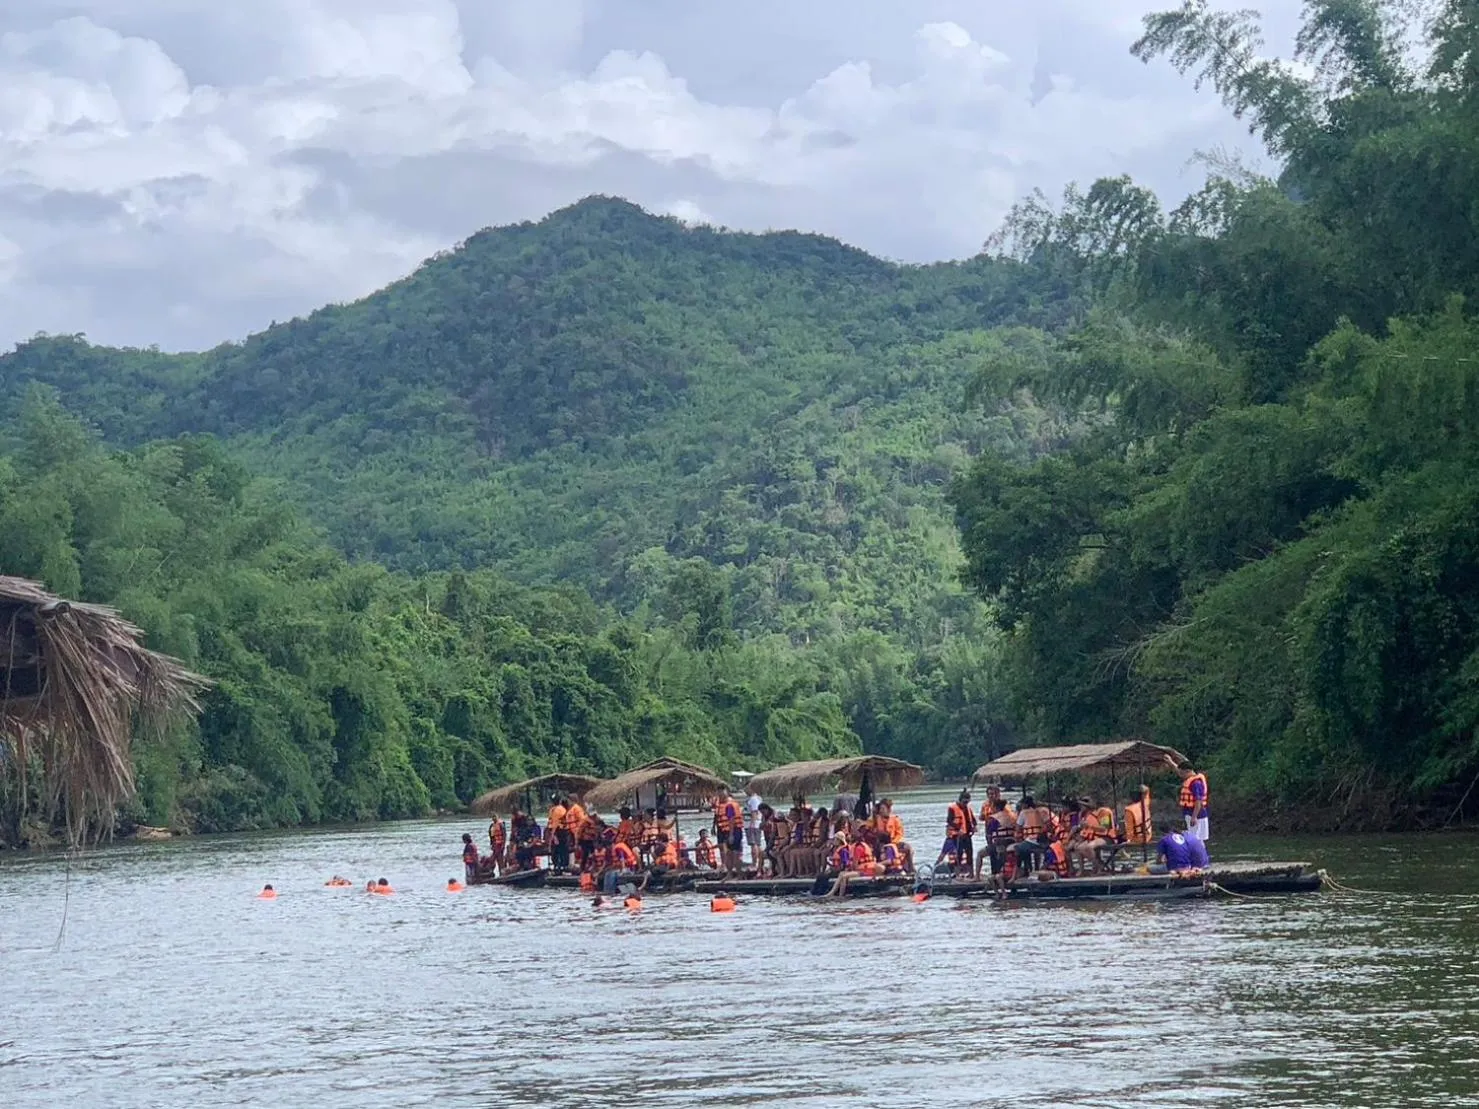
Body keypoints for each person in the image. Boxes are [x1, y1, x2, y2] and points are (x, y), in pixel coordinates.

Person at [942, 790, 977, 876]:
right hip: (957, 836)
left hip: (967, 835)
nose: (966, 804)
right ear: (960, 800)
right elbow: (949, 821)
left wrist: (975, 827)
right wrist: (958, 829)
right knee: (959, 854)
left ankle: (971, 874)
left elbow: (973, 819)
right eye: (964, 802)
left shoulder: (968, 808)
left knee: (969, 853)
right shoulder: (952, 808)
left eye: (968, 802)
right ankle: (957, 874)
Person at [713, 788, 745, 879]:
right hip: (725, 830)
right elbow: (717, 816)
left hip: (734, 831)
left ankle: (739, 874)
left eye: (721, 794)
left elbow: (731, 820)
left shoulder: (730, 805)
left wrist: (731, 835)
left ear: (726, 794)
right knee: (728, 853)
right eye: (719, 794)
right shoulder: (720, 804)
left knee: (735, 853)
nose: (720, 796)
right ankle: (729, 874)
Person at [1180, 767, 1210, 842]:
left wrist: (1194, 817)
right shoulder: (1194, 780)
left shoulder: (1195, 783)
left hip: (1194, 814)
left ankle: (1197, 853)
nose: (1181, 776)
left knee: (1194, 838)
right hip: (1198, 814)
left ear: (1188, 771)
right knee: (1199, 839)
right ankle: (1201, 853)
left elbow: (1198, 801)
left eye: (1182, 773)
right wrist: (1170, 762)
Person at [744, 784, 765, 875]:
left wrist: (752, 824)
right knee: (757, 844)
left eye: (746, 788)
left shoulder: (753, 799)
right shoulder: (755, 799)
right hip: (752, 824)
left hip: (752, 825)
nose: (745, 791)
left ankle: (754, 863)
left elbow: (754, 812)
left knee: (754, 844)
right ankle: (760, 861)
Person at [547, 796, 570, 871]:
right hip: (557, 830)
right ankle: (558, 865)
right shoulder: (554, 810)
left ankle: (563, 865)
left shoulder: (560, 809)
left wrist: (554, 835)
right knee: (557, 850)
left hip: (561, 830)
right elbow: (552, 823)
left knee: (562, 849)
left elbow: (557, 823)